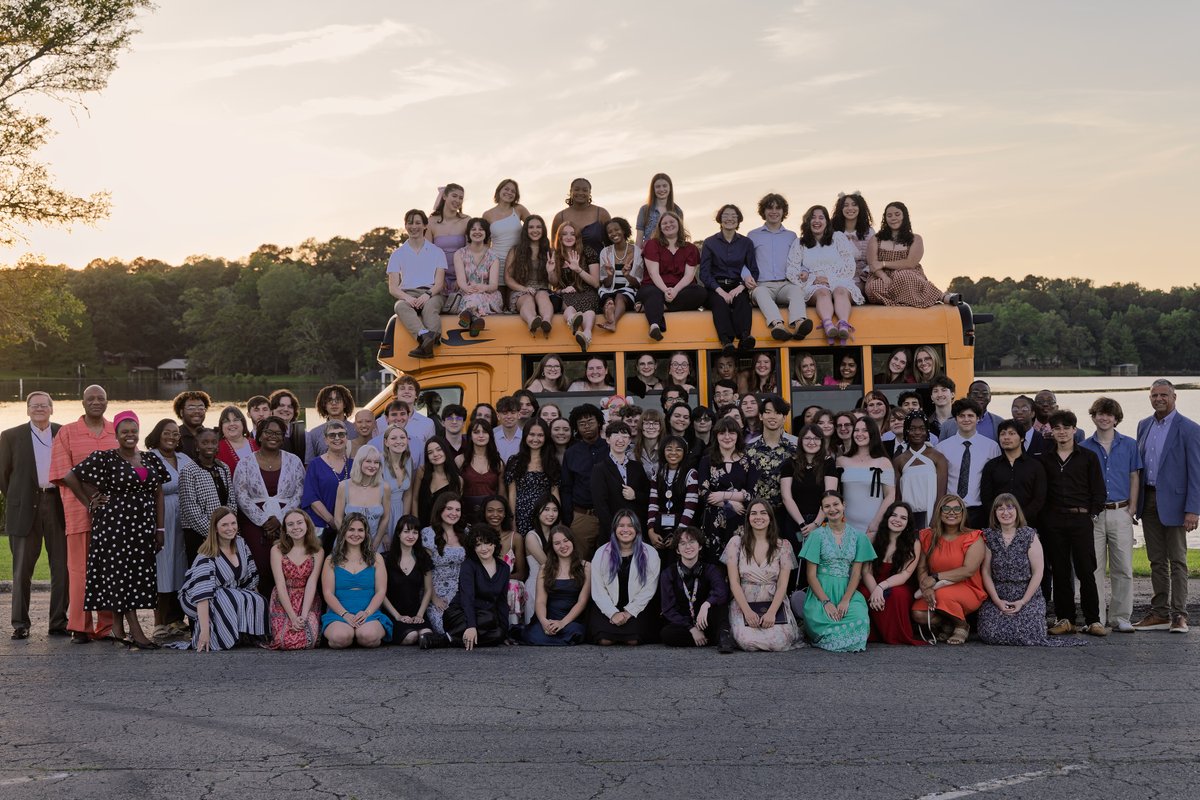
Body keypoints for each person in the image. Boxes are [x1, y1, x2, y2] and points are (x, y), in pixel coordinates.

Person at [48, 384, 117, 643]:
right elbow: (61, 474)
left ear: (107, 402)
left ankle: (107, 625)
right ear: (83, 402)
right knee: (79, 571)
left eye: (101, 398)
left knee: (109, 570)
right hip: (78, 515)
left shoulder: (116, 431)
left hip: (112, 516)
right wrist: (90, 500)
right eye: (91, 398)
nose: (96, 402)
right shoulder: (67, 433)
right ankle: (80, 626)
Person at [0, 391, 68, 640]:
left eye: (44, 405)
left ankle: (58, 622)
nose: (39, 408)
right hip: (24, 506)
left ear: (52, 408)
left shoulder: (63, 433)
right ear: (27, 409)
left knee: (62, 567)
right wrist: (20, 498)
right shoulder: (10, 436)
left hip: (57, 503)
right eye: (34, 405)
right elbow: (3, 476)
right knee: (21, 570)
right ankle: (20, 623)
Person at [1134, 379, 1200, 633]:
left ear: (1174, 396)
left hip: (1176, 502)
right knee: (1156, 560)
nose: (1159, 399)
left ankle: (1179, 615)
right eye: (1154, 395)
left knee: (1178, 560)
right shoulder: (1143, 425)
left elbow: (1195, 473)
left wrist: (1192, 509)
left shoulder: (1189, 429)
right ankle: (1159, 613)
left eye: (1164, 394)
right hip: (1148, 500)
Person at [978, 495, 1085, 648]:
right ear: (994, 513)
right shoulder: (988, 536)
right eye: (1000, 508)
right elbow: (986, 573)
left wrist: (1022, 601)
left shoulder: (1029, 535)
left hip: (1027, 595)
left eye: (1010, 507)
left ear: (1017, 511)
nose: (1005, 512)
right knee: (989, 634)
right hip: (998, 594)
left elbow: (1038, 572)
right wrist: (997, 601)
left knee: (1029, 633)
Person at [1040, 410, 1107, 637]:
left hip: (1081, 519)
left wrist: (1092, 514)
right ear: (1051, 432)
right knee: (1060, 571)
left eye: (1066, 428)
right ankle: (1065, 618)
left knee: (1086, 570)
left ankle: (1093, 620)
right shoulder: (1045, 459)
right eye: (1057, 428)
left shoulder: (1088, 457)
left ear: (1074, 430)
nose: (1062, 432)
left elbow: (1099, 491)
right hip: (1054, 520)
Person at [232, 416, 306, 596]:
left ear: (283, 437)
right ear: (259, 435)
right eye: (268, 432)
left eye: (278, 433)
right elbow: (241, 495)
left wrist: (281, 519)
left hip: (288, 523)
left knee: (287, 567)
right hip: (254, 524)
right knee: (261, 566)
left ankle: (283, 614)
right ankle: (261, 612)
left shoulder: (294, 461)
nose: (273, 436)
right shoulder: (246, 463)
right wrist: (265, 520)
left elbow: (300, 491)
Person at [179, 506, 267, 651]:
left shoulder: (241, 543)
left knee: (257, 598)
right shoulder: (206, 554)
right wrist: (204, 633)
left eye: (233, 523)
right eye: (224, 525)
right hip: (199, 597)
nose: (230, 528)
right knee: (228, 598)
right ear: (215, 528)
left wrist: (255, 604)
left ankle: (244, 636)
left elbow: (251, 579)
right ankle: (217, 638)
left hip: (229, 591)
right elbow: (202, 595)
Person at [800, 492, 875, 651]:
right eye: (827, 506)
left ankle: (844, 637)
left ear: (844, 505)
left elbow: (856, 574)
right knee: (825, 627)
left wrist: (846, 600)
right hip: (820, 593)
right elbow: (811, 575)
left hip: (846, 591)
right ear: (822, 510)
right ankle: (828, 636)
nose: (832, 509)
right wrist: (826, 602)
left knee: (861, 620)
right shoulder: (816, 536)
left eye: (836, 504)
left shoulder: (859, 537)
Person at [724, 499, 803, 651]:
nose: (758, 517)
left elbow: (782, 584)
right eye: (753, 513)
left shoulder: (783, 546)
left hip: (774, 602)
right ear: (748, 519)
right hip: (744, 602)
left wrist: (772, 613)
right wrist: (747, 612)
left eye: (763, 513)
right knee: (748, 642)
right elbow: (734, 582)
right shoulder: (736, 543)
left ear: (770, 518)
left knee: (778, 642)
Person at [911, 494, 986, 645]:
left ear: (963, 513)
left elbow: (968, 570)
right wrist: (925, 587)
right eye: (947, 508)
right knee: (918, 613)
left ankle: (961, 625)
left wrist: (936, 577)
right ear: (939, 512)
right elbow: (922, 567)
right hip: (936, 586)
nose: (952, 512)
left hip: (968, 587)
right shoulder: (928, 536)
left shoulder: (973, 536)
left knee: (942, 596)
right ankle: (947, 623)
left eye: (957, 509)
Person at [787, 204, 863, 344]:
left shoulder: (838, 238)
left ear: (827, 222)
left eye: (821, 218)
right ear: (807, 221)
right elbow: (792, 271)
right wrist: (812, 279)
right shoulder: (799, 243)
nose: (817, 221)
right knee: (823, 292)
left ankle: (843, 325)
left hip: (839, 279)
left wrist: (830, 279)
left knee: (840, 291)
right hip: (814, 284)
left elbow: (849, 265)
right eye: (813, 218)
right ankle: (828, 325)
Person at [146, 418, 194, 636]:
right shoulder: (149, 458)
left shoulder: (184, 458)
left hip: (184, 517)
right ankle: (159, 621)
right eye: (167, 432)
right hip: (161, 515)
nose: (172, 437)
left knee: (180, 566)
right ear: (158, 434)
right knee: (162, 568)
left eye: (176, 433)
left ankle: (177, 619)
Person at [865, 201, 958, 307]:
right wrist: (884, 276)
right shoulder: (876, 239)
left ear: (904, 216)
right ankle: (906, 300)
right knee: (874, 287)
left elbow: (910, 263)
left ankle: (941, 296)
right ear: (885, 218)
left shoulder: (916, 239)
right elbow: (873, 264)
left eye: (897, 214)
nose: (893, 218)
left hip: (907, 274)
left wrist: (883, 263)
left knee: (902, 276)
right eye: (889, 215)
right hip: (880, 276)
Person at [589, 511, 662, 645]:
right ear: (615, 529)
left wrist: (629, 612)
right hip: (608, 605)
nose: (625, 530)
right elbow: (598, 590)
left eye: (630, 525)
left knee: (632, 640)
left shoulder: (650, 553)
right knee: (605, 640)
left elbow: (649, 590)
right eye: (621, 525)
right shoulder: (601, 553)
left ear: (637, 529)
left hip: (638, 607)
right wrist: (612, 613)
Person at [858, 502, 925, 645]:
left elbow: (905, 574)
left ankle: (894, 636)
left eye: (903, 518)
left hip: (898, 583)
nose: (897, 520)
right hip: (872, 581)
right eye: (894, 515)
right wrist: (874, 590)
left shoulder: (914, 543)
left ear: (908, 523)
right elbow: (866, 571)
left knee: (896, 595)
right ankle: (868, 634)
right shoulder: (872, 538)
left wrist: (881, 587)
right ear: (887, 517)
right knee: (862, 594)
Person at [320, 513, 392, 648]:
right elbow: (328, 593)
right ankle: (348, 633)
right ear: (344, 532)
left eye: (360, 530)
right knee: (340, 638)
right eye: (351, 529)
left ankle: (360, 633)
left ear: (366, 534)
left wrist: (366, 613)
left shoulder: (376, 558)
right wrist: (345, 614)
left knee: (368, 637)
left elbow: (381, 591)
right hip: (339, 613)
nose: (355, 534)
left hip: (369, 613)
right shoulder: (331, 559)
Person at [747, 192, 812, 341]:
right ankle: (778, 325)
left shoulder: (791, 236)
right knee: (761, 293)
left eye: (778, 208)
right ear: (763, 211)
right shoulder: (753, 235)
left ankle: (800, 323)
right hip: (762, 284)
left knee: (796, 291)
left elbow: (800, 259)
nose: (774, 212)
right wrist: (746, 276)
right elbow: (744, 262)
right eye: (770, 208)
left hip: (786, 284)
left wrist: (804, 270)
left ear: (784, 212)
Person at [437, 524, 513, 649]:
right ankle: (447, 637)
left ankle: (450, 640)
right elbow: (467, 598)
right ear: (473, 548)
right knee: (489, 618)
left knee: (498, 634)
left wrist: (505, 632)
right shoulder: (469, 565)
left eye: (487, 543)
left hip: (485, 619)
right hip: (459, 615)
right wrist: (471, 626)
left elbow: (502, 601)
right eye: (478, 545)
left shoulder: (504, 568)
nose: (483, 548)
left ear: (494, 544)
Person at [660, 526, 733, 651]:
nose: (688, 547)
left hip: (705, 619)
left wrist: (706, 604)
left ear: (700, 546)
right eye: (682, 543)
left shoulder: (711, 569)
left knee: (720, 607)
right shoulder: (668, 574)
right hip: (684, 623)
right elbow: (668, 608)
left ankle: (720, 637)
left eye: (692, 542)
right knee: (666, 634)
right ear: (677, 550)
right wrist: (691, 628)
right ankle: (707, 639)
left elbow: (722, 592)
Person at [636, 211, 706, 341]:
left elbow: (689, 276)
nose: (668, 225)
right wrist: (665, 290)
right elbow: (653, 273)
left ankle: (657, 307)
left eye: (672, 222)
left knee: (700, 292)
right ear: (660, 227)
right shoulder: (652, 244)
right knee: (653, 293)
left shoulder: (690, 248)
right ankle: (654, 326)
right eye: (664, 223)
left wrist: (674, 291)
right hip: (654, 286)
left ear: (679, 225)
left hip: (680, 290)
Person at [698, 417, 759, 561]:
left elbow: (752, 494)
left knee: (740, 562)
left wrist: (722, 495)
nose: (727, 437)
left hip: (740, 521)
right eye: (722, 433)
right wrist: (729, 504)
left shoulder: (749, 461)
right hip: (714, 523)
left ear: (738, 435)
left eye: (731, 433)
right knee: (714, 565)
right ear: (716, 436)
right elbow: (704, 493)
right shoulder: (706, 460)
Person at [388, 209, 446, 359]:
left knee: (430, 307)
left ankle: (427, 343)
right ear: (405, 225)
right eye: (410, 223)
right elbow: (393, 288)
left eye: (418, 223)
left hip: (432, 292)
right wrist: (407, 298)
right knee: (399, 306)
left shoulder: (437, 252)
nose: (414, 226)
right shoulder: (397, 254)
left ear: (425, 226)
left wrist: (427, 295)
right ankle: (426, 338)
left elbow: (439, 283)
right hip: (408, 293)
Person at [700, 204, 758, 352]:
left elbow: (754, 270)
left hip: (737, 285)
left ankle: (745, 337)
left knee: (742, 301)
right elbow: (704, 274)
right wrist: (721, 291)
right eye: (725, 215)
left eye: (734, 216)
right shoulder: (709, 242)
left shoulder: (746, 243)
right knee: (719, 304)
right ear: (720, 219)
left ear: (739, 221)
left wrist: (741, 287)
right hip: (715, 287)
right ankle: (726, 341)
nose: (730, 219)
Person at [936, 399, 1001, 529]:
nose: (966, 419)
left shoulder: (991, 447)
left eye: (970, 416)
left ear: (978, 418)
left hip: (979, 510)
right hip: (951, 511)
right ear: (955, 419)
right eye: (961, 416)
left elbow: (996, 479)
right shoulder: (942, 448)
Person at [179, 428, 238, 569]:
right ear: (197, 446)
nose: (209, 446)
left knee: (224, 570)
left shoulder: (223, 468)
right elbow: (191, 510)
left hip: (225, 532)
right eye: (205, 442)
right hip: (199, 535)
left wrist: (228, 527)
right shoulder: (189, 471)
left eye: (213, 442)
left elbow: (231, 500)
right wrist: (213, 533)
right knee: (203, 572)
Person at [523, 525, 590, 646]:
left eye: (566, 541)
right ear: (552, 547)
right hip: (548, 617)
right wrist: (544, 622)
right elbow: (540, 601)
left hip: (572, 619)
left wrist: (562, 623)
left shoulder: (586, 567)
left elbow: (582, 601)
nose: (563, 546)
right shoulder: (545, 568)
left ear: (572, 541)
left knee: (575, 633)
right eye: (557, 543)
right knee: (533, 634)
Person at [267, 509, 324, 650]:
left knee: (308, 640)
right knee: (285, 642)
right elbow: (280, 584)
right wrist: (292, 616)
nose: (296, 527)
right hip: (283, 600)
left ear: (307, 525)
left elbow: (312, 583)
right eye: (290, 524)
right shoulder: (277, 549)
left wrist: (304, 616)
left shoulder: (317, 551)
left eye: (299, 523)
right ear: (285, 529)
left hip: (307, 599)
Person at [837, 417, 897, 540]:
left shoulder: (883, 462)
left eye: (864, 430)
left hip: (873, 527)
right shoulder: (841, 461)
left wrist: (876, 523)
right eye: (856, 430)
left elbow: (890, 495)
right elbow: (835, 494)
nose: (859, 434)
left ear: (873, 433)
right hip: (845, 527)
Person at [979, 419, 1046, 528]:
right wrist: (1001, 516)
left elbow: (1039, 499)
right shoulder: (991, 466)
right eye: (1002, 434)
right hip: (998, 525)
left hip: (1027, 525)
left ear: (1022, 438)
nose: (1006, 437)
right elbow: (986, 498)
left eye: (1012, 433)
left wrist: (1019, 517)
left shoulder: (1035, 466)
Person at [561, 404, 608, 556]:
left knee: (609, 561)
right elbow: (566, 487)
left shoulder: (610, 448)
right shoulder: (571, 453)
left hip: (609, 515)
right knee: (579, 562)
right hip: (582, 516)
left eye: (590, 421)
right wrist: (570, 518)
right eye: (581, 424)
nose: (586, 426)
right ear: (576, 427)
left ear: (599, 422)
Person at [548, 221, 602, 352]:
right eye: (564, 234)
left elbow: (596, 283)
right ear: (559, 237)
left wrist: (578, 269)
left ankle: (586, 333)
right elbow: (554, 284)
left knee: (588, 309)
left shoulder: (587, 252)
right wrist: (550, 271)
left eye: (572, 234)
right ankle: (573, 320)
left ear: (577, 237)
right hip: (567, 293)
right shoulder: (556, 255)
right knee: (569, 304)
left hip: (587, 291)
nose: (568, 237)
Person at [301, 420, 352, 553]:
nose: (337, 438)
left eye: (341, 434)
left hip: (350, 527)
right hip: (321, 526)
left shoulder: (354, 465)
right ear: (325, 440)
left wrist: (344, 523)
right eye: (332, 435)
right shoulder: (315, 465)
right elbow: (311, 498)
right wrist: (332, 520)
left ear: (347, 438)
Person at [381, 515, 434, 646]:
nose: (411, 536)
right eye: (406, 531)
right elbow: (380, 592)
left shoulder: (423, 557)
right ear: (398, 533)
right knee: (411, 636)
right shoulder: (385, 559)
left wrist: (420, 615)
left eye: (415, 532)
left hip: (416, 611)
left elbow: (428, 590)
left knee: (426, 634)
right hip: (393, 613)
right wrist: (397, 616)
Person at [504, 418, 560, 540]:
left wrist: (557, 522)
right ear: (525, 436)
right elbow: (512, 494)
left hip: (545, 518)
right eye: (532, 434)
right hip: (521, 517)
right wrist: (512, 522)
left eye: (540, 435)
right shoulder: (514, 462)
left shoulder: (552, 463)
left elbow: (554, 493)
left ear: (546, 437)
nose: (535, 439)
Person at [420, 492, 467, 635]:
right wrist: (434, 598)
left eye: (457, 510)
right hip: (437, 594)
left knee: (471, 626)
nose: (454, 513)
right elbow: (425, 568)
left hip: (461, 593)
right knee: (446, 629)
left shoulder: (466, 532)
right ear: (440, 509)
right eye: (449, 509)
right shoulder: (428, 533)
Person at [893, 413, 949, 529]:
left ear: (927, 431)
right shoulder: (899, 460)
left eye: (922, 429)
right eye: (912, 429)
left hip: (931, 515)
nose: (917, 432)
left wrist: (935, 518)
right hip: (908, 517)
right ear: (906, 431)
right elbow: (897, 495)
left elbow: (941, 493)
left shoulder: (938, 457)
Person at [333, 445, 392, 553]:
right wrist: (350, 542)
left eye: (376, 462)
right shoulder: (343, 486)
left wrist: (375, 543)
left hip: (374, 545)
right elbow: (338, 519)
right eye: (368, 461)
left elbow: (385, 518)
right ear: (359, 462)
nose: (373, 466)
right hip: (347, 545)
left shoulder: (385, 487)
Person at [505, 214, 555, 337]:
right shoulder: (515, 251)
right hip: (521, 290)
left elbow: (555, 283)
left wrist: (550, 271)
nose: (535, 230)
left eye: (538, 227)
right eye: (531, 227)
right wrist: (524, 289)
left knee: (542, 295)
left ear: (543, 230)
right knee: (527, 299)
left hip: (542, 289)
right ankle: (532, 320)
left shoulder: (550, 252)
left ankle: (546, 321)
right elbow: (508, 278)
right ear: (526, 230)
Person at [453, 217, 504, 332]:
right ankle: (476, 321)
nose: (477, 232)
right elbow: (461, 281)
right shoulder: (459, 254)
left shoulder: (493, 257)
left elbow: (493, 285)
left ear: (486, 233)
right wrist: (468, 289)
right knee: (472, 297)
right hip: (467, 292)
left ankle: (468, 316)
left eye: (481, 229)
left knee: (476, 297)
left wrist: (483, 287)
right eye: (473, 229)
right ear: (468, 233)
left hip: (489, 293)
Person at [481, 495, 526, 626]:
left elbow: (521, 573)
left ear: (506, 514)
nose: (495, 514)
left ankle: (511, 628)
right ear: (484, 513)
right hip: (482, 583)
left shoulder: (515, 538)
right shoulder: (477, 537)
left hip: (507, 584)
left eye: (500, 511)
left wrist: (498, 581)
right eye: (490, 510)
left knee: (513, 585)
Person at [522, 494, 563, 623]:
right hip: (537, 585)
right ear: (537, 511)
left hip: (557, 583)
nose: (551, 514)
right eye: (546, 509)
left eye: (555, 510)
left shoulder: (558, 535)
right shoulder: (531, 536)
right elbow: (546, 564)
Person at [597, 217, 643, 331]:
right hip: (609, 290)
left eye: (617, 229)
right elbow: (606, 284)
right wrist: (610, 275)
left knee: (620, 296)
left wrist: (627, 275)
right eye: (610, 232)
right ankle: (610, 310)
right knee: (608, 300)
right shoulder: (605, 252)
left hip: (628, 290)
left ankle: (613, 323)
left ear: (624, 230)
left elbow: (638, 284)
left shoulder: (636, 251)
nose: (614, 233)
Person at [481, 177, 530, 283]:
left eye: (513, 191)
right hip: (495, 262)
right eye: (506, 189)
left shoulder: (519, 209)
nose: (509, 193)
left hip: (517, 262)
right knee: (498, 296)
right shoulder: (487, 214)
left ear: (516, 195)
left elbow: (534, 227)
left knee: (515, 295)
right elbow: (485, 243)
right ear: (499, 191)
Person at [458, 420, 505, 521]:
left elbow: (502, 495)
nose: (481, 435)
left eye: (485, 432)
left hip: (491, 517)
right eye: (476, 432)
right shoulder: (460, 460)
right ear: (470, 435)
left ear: (490, 435)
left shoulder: (498, 463)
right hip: (465, 516)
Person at [428, 182, 469, 298]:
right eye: (454, 196)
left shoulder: (466, 220)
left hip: (462, 276)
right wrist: (439, 280)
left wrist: (461, 279)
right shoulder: (431, 222)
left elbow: (470, 252)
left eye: (461, 198)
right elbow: (428, 253)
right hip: (438, 277)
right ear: (445, 196)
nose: (458, 200)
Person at [830, 192, 875, 293]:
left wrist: (865, 274)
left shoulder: (869, 232)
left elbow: (873, 259)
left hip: (861, 278)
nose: (850, 208)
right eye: (846, 205)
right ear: (840, 209)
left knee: (847, 291)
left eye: (854, 205)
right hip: (836, 277)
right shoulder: (832, 232)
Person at [551, 177, 611, 254]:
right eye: (576, 189)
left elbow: (611, 242)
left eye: (585, 190)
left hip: (598, 263)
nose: (580, 193)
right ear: (570, 191)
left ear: (590, 193)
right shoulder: (560, 217)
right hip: (568, 264)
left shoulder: (602, 213)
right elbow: (553, 246)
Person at [414, 437, 463, 528]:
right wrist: (416, 524)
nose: (435, 454)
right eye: (430, 452)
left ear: (445, 451)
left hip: (443, 529)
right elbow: (415, 499)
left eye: (439, 449)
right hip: (421, 526)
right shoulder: (422, 472)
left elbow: (456, 509)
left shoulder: (457, 480)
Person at [379, 423, 415, 541]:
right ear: (386, 442)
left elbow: (408, 494)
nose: (398, 441)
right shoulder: (378, 462)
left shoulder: (408, 461)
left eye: (402, 437)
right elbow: (375, 497)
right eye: (393, 438)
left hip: (400, 512)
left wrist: (404, 522)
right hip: (382, 514)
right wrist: (383, 532)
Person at [304, 384, 354, 464]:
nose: (334, 403)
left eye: (338, 400)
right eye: (329, 400)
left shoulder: (356, 431)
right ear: (324, 405)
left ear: (345, 403)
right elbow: (309, 466)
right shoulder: (314, 434)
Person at [636, 172, 684, 247]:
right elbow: (639, 239)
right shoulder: (644, 210)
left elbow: (680, 237)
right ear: (653, 189)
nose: (661, 189)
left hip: (670, 253)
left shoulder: (677, 211)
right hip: (649, 253)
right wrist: (637, 257)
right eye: (658, 187)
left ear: (670, 188)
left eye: (665, 186)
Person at [214, 405, 258, 477]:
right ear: (221, 426)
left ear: (243, 423)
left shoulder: (257, 445)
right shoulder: (216, 449)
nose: (232, 424)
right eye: (226, 421)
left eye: (236, 420)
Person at [268, 389, 306, 462]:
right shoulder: (264, 433)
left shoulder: (304, 435)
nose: (286, 409)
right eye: (281, 405)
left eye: (290, 406)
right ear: (272, 409)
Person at [172, 390, 212, 460]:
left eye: (201, 408)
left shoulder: (212, 436)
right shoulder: (174, 437)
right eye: (191, 408)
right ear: (181, 412)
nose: (197, 411)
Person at [492, 396, 523, 464]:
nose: (509, 417)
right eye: (505, 413)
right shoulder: (492, 437)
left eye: (513, 412)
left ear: (519, 414)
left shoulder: (526, 437)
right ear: (498, 416)